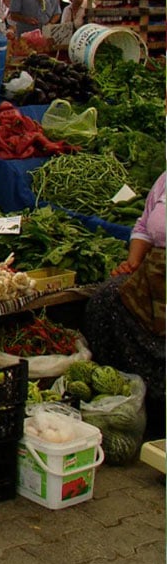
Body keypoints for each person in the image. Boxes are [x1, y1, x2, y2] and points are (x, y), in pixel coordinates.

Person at [84, 172, 166, 437]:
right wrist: (133, 262)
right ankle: (134, 401)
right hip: (155, 270)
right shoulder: (164, 180)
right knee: (106, 299)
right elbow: (143, 227)